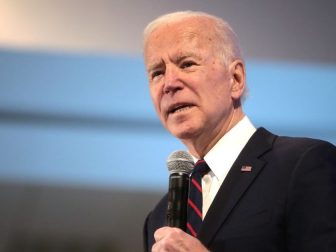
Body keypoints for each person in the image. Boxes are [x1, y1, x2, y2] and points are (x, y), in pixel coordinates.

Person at [142, 11, 336, 252]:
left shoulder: (303, 164)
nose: (169, 83)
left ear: (235, 79)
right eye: (157, 73)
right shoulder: (158, 220)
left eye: (187, 64)